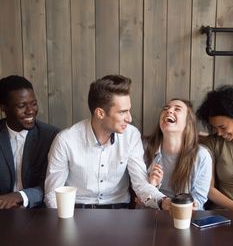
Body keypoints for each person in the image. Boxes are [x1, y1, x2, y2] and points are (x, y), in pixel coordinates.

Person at [45, 74, 166, 209]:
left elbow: (141, 185)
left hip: (120, 213)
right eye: (122, 112)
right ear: (100, 113)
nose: (129, 118)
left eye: (129, 110)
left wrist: (164, 202)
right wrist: (63, 225)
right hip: (77, 211)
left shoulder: (131, 135)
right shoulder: (65, 140)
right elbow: (52, 194)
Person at [0, 75, 59, 209]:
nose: (30, 111)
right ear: (4, 108)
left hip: (38, 212)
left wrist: (20, 196)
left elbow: (53, 184)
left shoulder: (50, 136)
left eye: (34, 104)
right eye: (21, 106)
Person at [145, 99, 212, 210]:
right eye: (166, 108)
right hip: (152, 215)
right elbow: (141, 194)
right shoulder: (145, 148)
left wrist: (175, 207)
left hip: (187, 217)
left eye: (177, 109)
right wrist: (152, 186)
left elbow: (198, 200)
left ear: (188, 122)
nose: (169, 111)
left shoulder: (202, 156)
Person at [196, 85, 233, 211]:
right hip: (222, 212)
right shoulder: (213, 143)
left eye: (222, 127)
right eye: (214, 128)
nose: (219, 133)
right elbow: (209, 189)